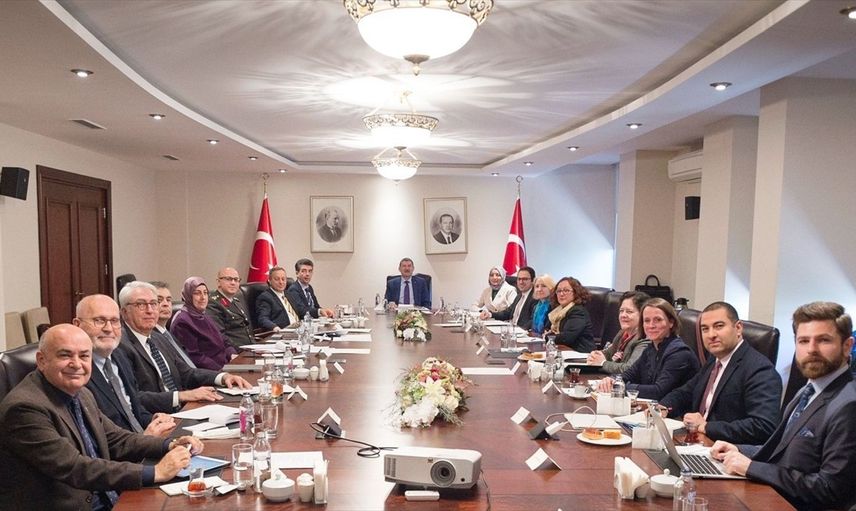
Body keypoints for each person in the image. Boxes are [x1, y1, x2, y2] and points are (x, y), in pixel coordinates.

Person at [0, 324, 203, 511]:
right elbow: (75, 467)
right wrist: (155, 472)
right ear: (41, 360)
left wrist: (169, 444)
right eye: (65, 355)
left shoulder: (81, 392)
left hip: (107, 497)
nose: (76, 364)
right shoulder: (24, 408)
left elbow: (116, 438)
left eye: (84, 356)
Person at [711, 301, 856, 510]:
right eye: (803, 341)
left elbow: (830, 490)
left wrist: (751, 468)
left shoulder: (849, 405)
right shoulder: (807, 391)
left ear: (847, 346)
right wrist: (740, 449)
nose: (811, 349)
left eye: (823, 340)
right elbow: (785, 452)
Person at [116, 281, 251, 413]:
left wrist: (223, 377)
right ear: (124, 312)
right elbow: (133, 396)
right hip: (158, 417)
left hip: (184, 410)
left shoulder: (158, 338)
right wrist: (181, 396)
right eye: (141, 305)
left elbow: (187, 373)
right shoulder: (120, 346)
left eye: (153, 303)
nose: (150, 310)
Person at [659, 301, 781, 444]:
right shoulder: (715, 359)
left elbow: (763, 426)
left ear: (738, 328)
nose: (711, 335)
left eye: (719, 326)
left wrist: (706, 426)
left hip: (726, 449)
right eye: (705, 329)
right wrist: (663, 408)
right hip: (697, 442)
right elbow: (686, 391)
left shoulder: (760, 370)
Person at [75, 295, 176, 436]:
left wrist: (154, 419)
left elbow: (132, 410)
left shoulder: (120, 356)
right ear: (77, 325)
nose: (108, 328)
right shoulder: (76, 371)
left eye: (114, 321)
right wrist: (144, 440)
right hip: (123, 447)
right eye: (99, 320)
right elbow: (95, 435)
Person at [599, 298, 698, 399]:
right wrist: (612, 380)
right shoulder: (651, 348)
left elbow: (658, 392)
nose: (651, 325)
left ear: (671, 322)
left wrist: (621, 386)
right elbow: (629, 374)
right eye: (647, 320)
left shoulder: (679, 353)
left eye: (658, 320)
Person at [169, 276, 238, 371]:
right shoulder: (182, 321)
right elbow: (195, 357)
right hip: (211, 372)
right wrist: (222, 372)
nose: (203, 297)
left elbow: (223, 340)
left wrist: (233, 355)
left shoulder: (203, 315)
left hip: (226, 366)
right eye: (197, 293)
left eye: (205, 293)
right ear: (188, 296)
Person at [587, 291, 651, 374]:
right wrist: (596, 355)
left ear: (643, 315)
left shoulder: (645, 338)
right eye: (621, 311)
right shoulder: (622, 333)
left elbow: (630, 369)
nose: (623, 315)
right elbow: (609, 353)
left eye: (629, 312)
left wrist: (602, 363)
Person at [150, 281, 196, 368]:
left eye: (168, 300)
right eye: (159, 300)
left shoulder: (168, 334)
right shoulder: (151, 338)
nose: (166, 304)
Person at [206, 267, 253, 348]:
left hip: (249, 348)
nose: (233, 283)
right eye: (228, 279)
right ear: (218, 282)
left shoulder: (236, 301)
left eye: (236, 279)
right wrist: (239, 351)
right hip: (235, 351)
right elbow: (220, 336)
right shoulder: (212, 303)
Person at [546, 276, 595, 352]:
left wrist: (547, 336)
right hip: (564, 351)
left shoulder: (578, 311)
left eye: (566, 290)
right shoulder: (558, 311)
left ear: (575, 292)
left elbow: (566, 338)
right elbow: (548, 329)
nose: (561, 294)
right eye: (559, 291)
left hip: (580, 354)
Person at [256, 266, 301, 331]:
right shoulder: (265, 297)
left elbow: (300, 311)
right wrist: (274, 327)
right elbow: (263, 318)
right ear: (269, 281)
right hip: (284, 331)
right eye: (277, 279)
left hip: (299, 329)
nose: (281, 282)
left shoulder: (288, 294)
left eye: (283, 279)